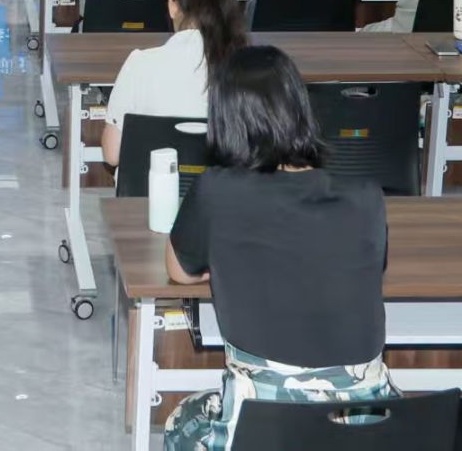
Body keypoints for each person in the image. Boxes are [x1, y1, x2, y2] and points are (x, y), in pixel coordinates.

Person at [164, 44, 393, 450]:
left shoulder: (218, 191)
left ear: (224, 119)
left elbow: (179, 271)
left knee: (181, 421)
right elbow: (369, 266)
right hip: (367, 433)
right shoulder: (367, 196)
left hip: (260, 431)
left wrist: (225, 262)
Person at [101, 0, 246, 169]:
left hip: (149, 187)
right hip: (222, 187)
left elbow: (112, 154)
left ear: (172, 8)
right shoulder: (245, 66)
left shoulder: (140, 63)